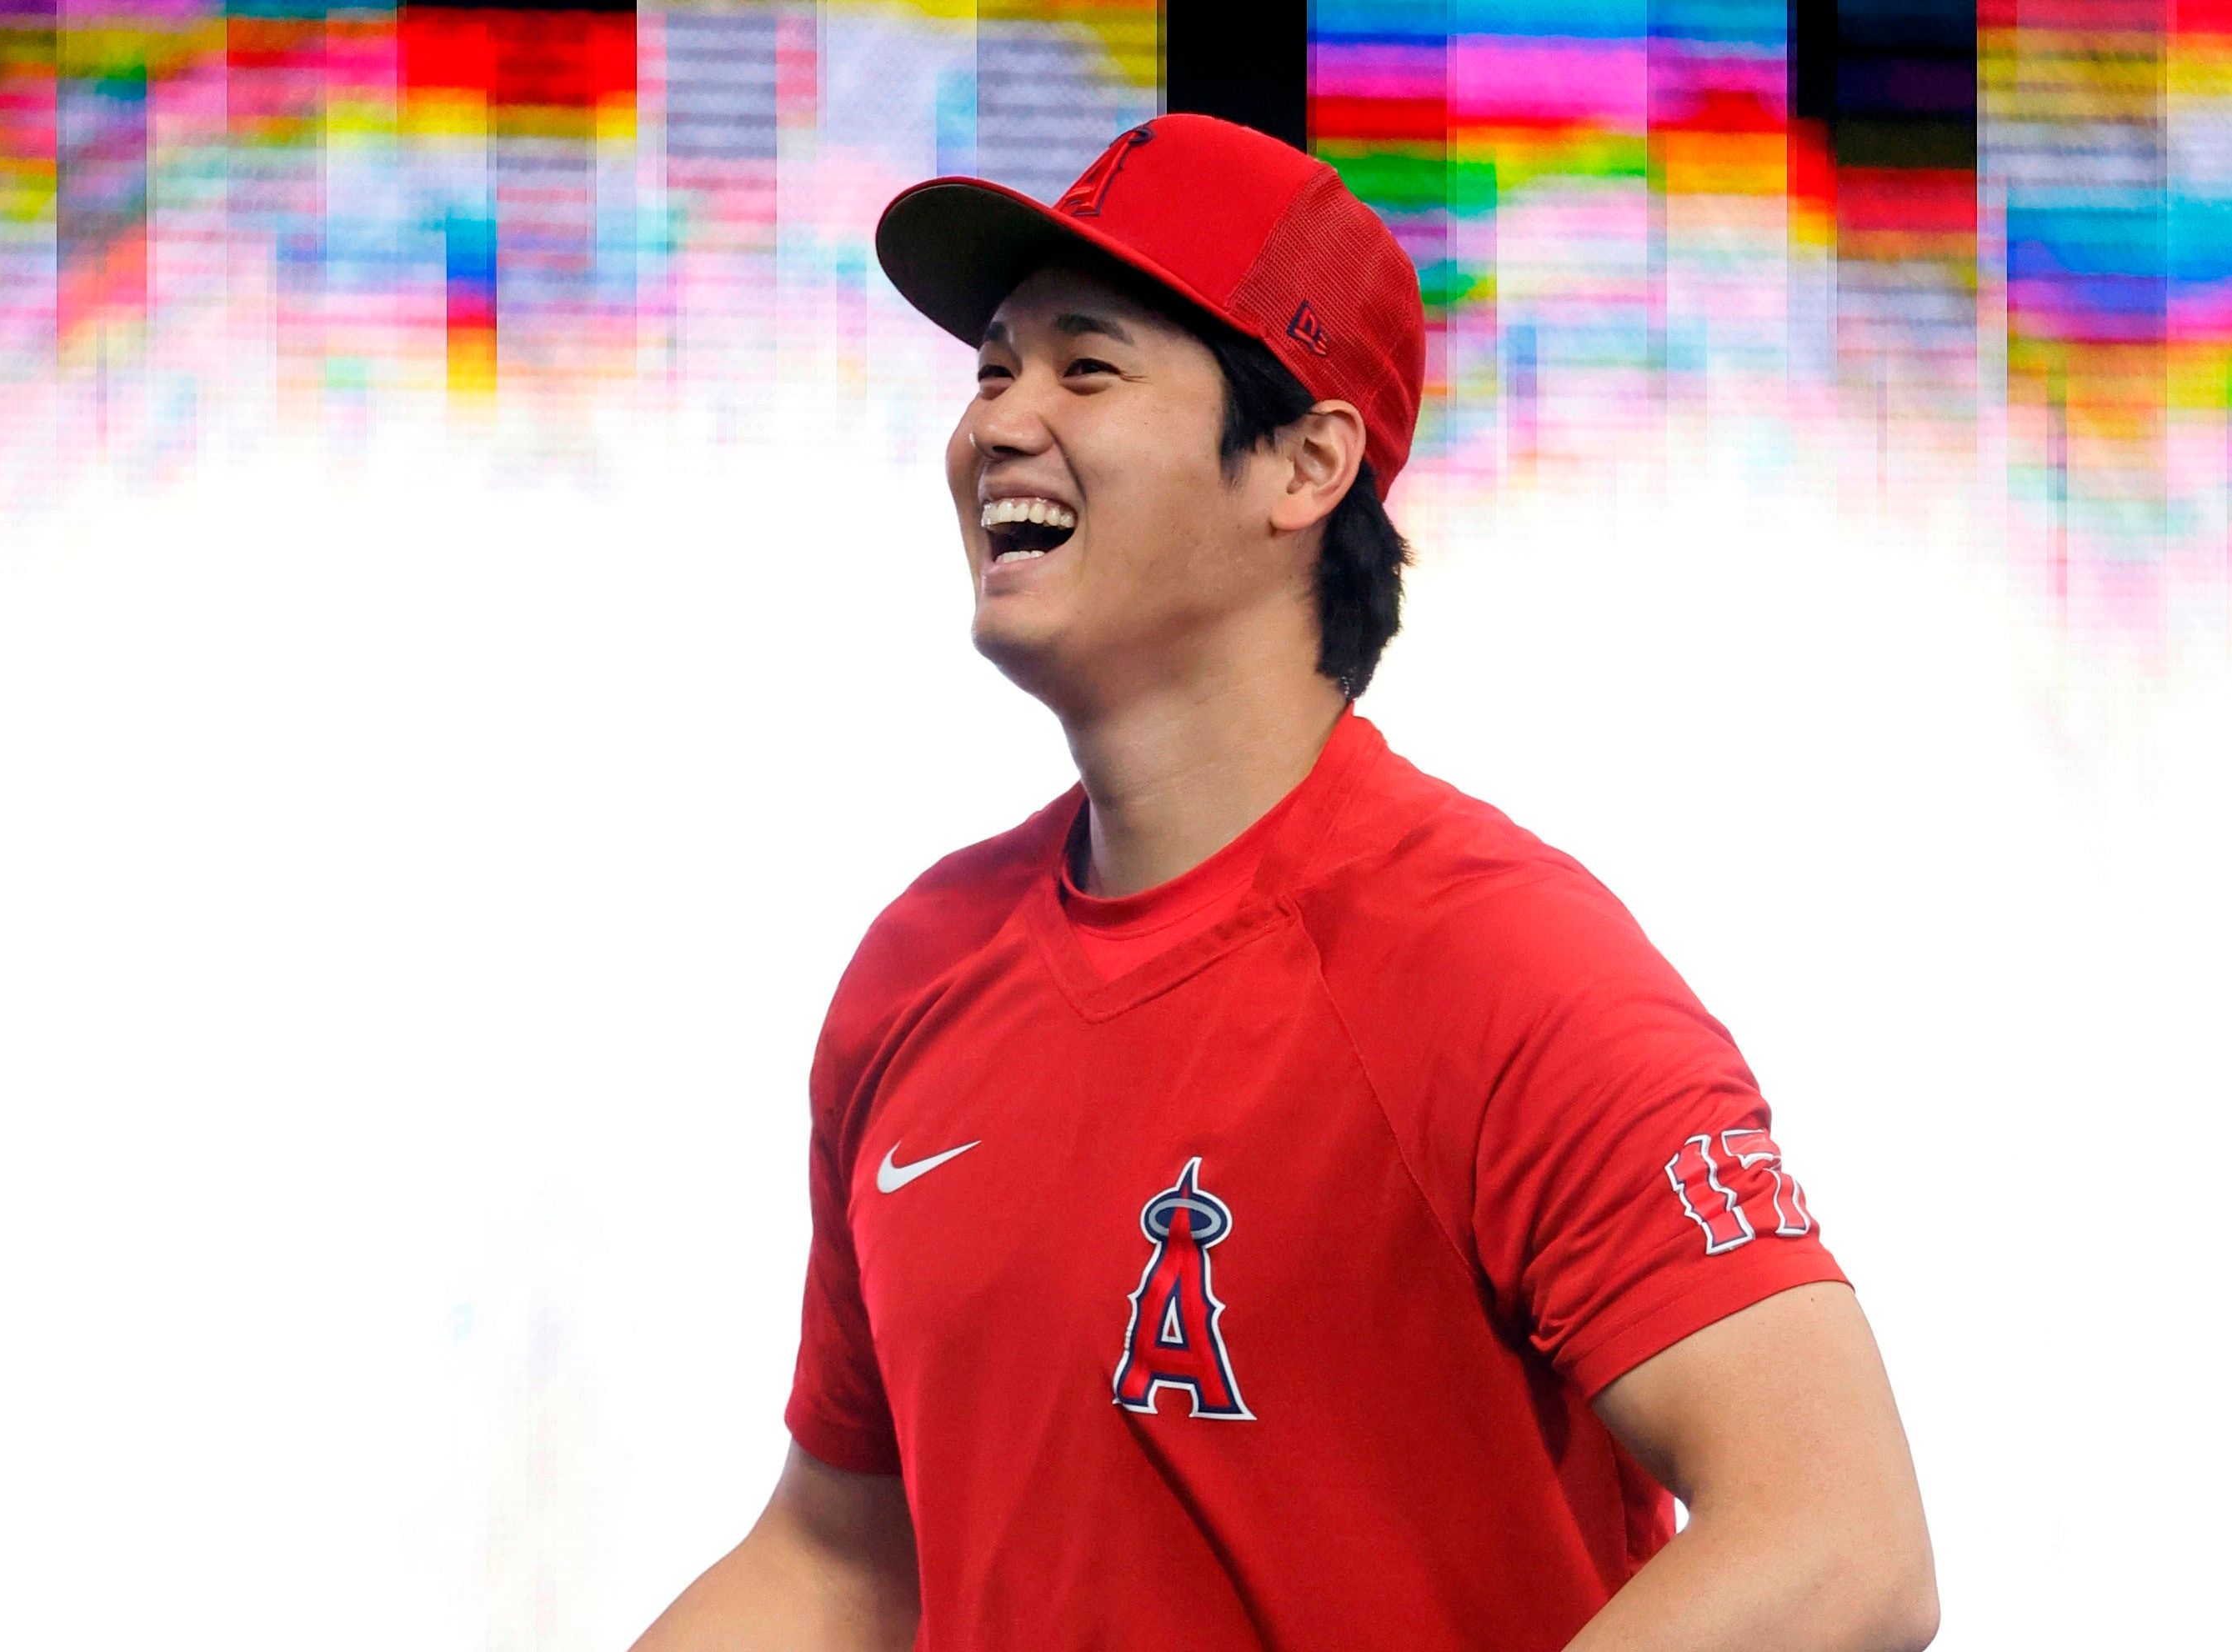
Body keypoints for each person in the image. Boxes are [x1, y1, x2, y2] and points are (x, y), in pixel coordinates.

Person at [629, 113, 1939, 1652]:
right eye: (990, 370)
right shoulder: (919, 967)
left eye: (1085, 368)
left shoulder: (1498, 964)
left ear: (1308, 464)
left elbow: (1838, 1541)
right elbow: (841, 1559)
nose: (998, 424)